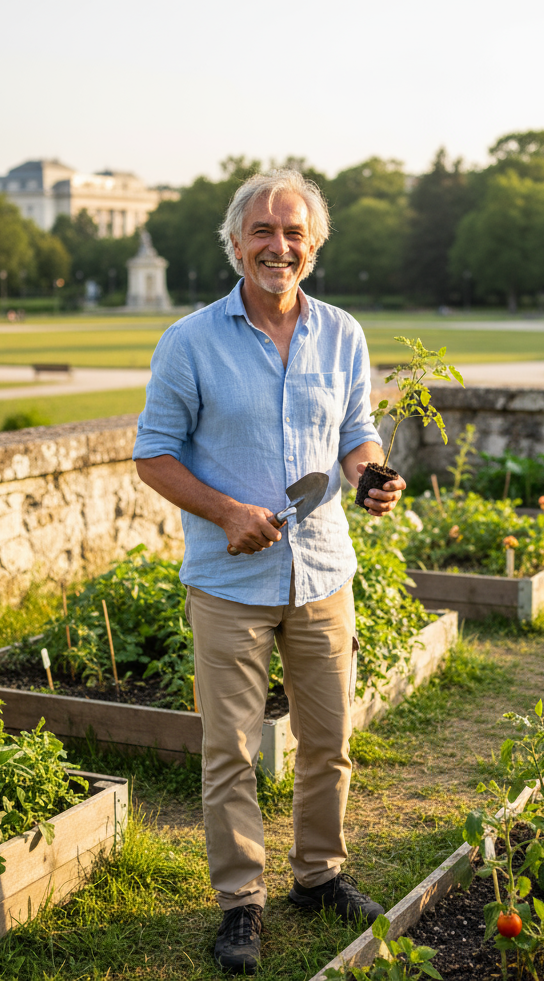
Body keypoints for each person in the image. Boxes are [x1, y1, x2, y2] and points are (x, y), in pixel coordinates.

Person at [133, 168, 405, 974]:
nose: (277, 246)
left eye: (293, 233)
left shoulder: (343, 333)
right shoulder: (189, 341)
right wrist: (224, 513)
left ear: (312, 247)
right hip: (229, 582)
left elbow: (358, 433)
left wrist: (371, 475)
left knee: (329, 741)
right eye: (263, 231)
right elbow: (153, 454)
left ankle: (319, 876)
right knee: (230, 750)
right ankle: (241, 902)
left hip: (323, 572)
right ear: (236, 244)